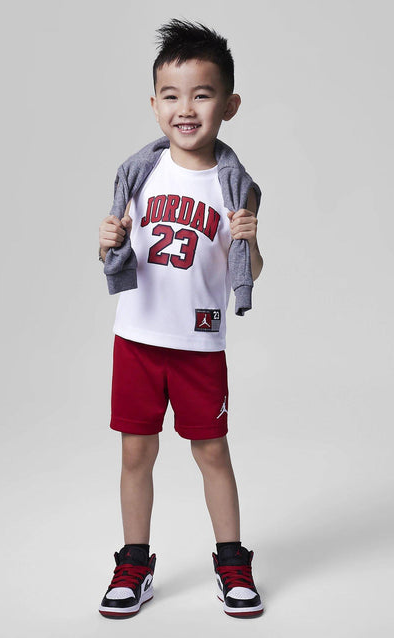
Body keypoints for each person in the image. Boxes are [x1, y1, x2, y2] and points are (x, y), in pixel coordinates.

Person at [97, 19, 264, 619]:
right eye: (171, 95)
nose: (185, 108)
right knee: (135, 454)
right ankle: (133, 563)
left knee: (212, 452)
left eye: (201, 94)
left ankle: (232, 561)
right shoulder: (138, 173)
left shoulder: (235, 186)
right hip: (137, 339)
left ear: (229, 105)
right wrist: (105, 241)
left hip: (199, 341)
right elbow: (115, 252)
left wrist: (251, 239)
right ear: (154, 104)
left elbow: (250, 269)